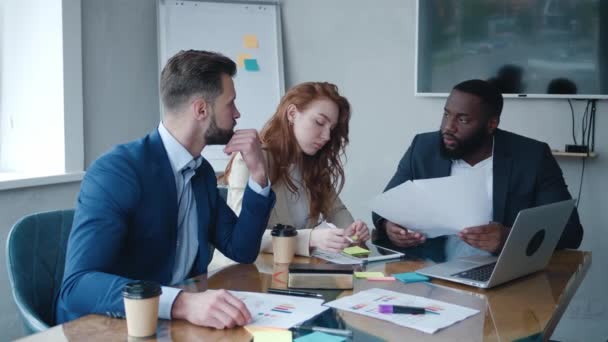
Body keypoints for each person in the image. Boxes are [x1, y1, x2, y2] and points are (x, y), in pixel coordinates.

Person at [57, 50, 276, 329]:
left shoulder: (202, 173)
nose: (237, 113)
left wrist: (258, 175)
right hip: (113, 326)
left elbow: (242, 250)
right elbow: (77, 286)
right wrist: (182, 302)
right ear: (201, 109)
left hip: (176, 325)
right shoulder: (117, 171)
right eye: (230, 103)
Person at [372, 79, 583, 262]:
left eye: (462, 120)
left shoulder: (531, 156)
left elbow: (570, 231)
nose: (448, 127)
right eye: (446, 115)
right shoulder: (424, 147)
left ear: (491, 124)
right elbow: (385, 206)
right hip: (428, 267)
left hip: (497, 269)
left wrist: (508, 237)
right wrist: (391, 226)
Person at [222, 82, 370, 257]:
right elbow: (242, 235)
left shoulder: (313, 165)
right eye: (319, 122)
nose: (327, 136)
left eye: (331, 129)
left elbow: (336, 210)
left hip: (293, 269)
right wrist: (310, 239)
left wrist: (352, 232)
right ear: (292, 114)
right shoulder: (250, 159)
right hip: (247, 273)